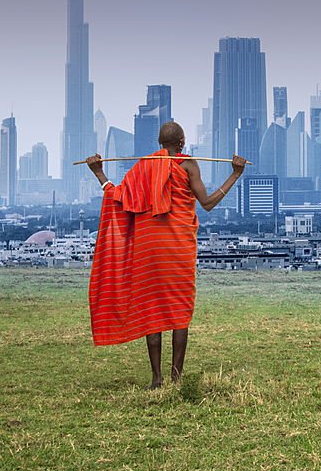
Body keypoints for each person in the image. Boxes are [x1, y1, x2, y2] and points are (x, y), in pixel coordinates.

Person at [85, 121, 247, 388]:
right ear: (182, 142)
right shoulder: (189, 164)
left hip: (150, 250)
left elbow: (119, 198)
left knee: (153, 310)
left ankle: (156, 379)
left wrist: (99, 173)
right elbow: (207, 203)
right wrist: (235, 175)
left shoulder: (146, 166)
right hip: (178, 249)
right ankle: (176, 378)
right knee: (179, 311)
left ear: (160, 143)